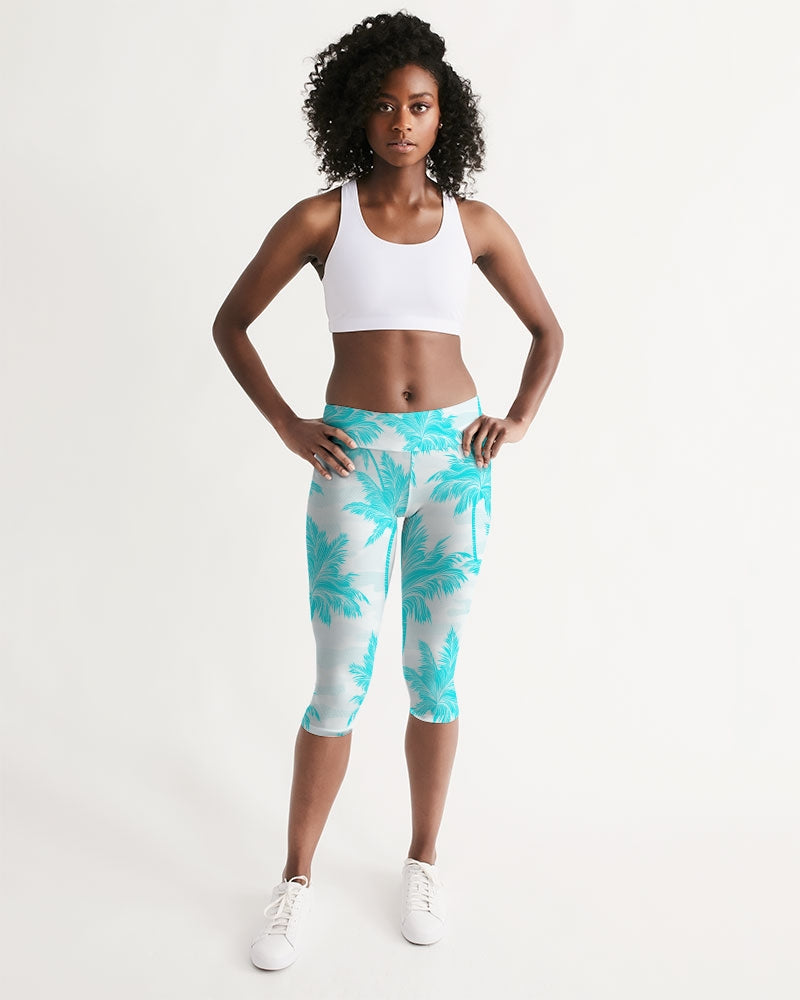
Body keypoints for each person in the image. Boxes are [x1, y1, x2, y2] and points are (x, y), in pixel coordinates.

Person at [212, 10, 563, 971]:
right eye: (384, 105)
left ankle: (423, 860)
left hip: (455, 466)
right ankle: (295, 880)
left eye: (420, 105)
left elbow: (548, 332)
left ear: (445, 115)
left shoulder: (476, 225)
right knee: (338, 681)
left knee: (434, 675)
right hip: (354, 463)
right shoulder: (320, 220)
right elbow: (231, 322)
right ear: (355, 115)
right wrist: (288, 424)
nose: (402, 122)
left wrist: (516, 419)